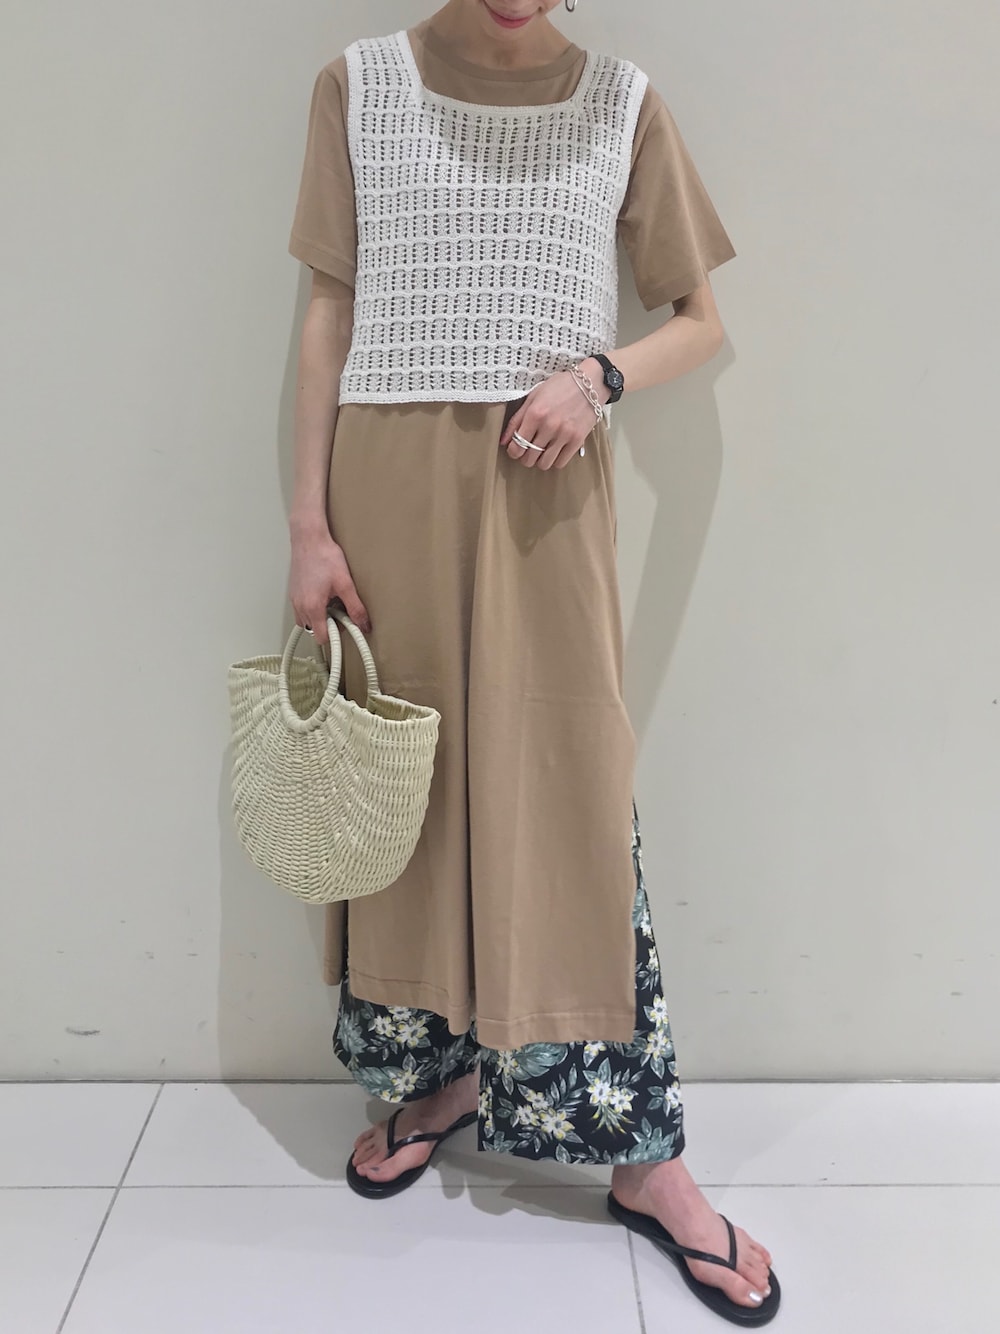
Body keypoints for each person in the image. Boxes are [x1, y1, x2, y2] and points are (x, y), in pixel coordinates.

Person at [286, 0, 779, 1323]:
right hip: (387, 489)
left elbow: (700, 317)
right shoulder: (357, 86)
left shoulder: (623, 102)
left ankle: (644, 1157)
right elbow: (328, 308)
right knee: (405, 794)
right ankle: (444, 1073)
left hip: (545, 492)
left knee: (566, 801)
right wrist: (308, 526)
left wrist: (599, 378)